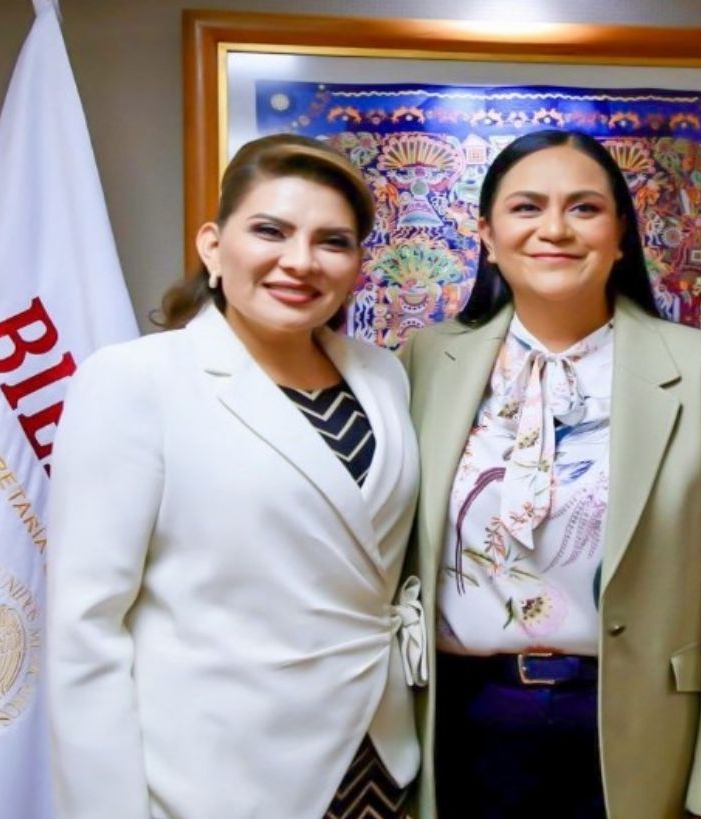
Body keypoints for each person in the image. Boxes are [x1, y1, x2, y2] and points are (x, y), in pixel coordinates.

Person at [400, 129, 701, 819]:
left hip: (634, 727)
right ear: (487, 235)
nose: (555, 228)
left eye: (584, 208)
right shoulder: (423, 362)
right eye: (526, 207)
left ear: (621, 236)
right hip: (457, 720)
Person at [46, 134, 424, 819]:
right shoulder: (136, 380)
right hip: (217, 778)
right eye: (271, 231)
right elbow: (85, 628)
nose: (300, 261)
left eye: (332, 242)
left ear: (357, 266)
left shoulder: (383, 376)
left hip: (381, 761)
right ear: (214, 247)